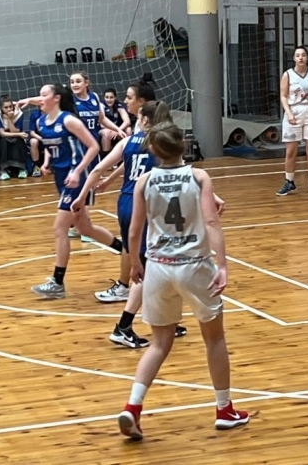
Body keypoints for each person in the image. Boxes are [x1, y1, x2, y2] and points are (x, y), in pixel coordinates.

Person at [117, 121, 249, 440]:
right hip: (194, 266)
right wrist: (223, 265)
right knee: (214, 339)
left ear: (153, 150)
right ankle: (224, 409)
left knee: (159, 343)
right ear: (183, 146)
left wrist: (135, 263)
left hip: (158, 268)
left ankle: (133, 406)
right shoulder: (199, 177)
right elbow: (212, 222)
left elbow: (134, 230)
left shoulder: (144, 180)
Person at [73, 99, 187, 349]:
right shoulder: (161, 143)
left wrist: (82, 196)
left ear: (145, 119)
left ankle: (166, 319)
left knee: (154, 264)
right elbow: (184, 174)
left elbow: (99, 169)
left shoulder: (128, 142)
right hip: (146, 205)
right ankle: (123, 326)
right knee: (149, 267)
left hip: (124, 202)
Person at [30, 82, 125, 299]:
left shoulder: (69, 120)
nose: (39, 98)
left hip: (78, 179)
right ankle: (127, 252)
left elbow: (93, 146)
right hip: (62, 178)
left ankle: (57, 282)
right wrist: (46, 162)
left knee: (59, 228)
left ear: (56, 98)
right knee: (85, 228)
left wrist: (78, 171)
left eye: (44, 95)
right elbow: (52, 146)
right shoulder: (41, 121)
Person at [277, 45, 308, 197]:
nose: (300, 58)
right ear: (294, 58)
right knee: (291, 151)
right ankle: (289, 181)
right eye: (298, 55)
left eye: (303, 55)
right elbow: (283, 96)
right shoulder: (288, 75)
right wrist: (288, 113)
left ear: (307, 57)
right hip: (294, 111)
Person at [0, 95, 28, 180]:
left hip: (14, 134)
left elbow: (14, 131)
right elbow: (2, 134)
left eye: (10, 106)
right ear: (1, 108)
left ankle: (21, 169)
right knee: (4, 141)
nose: (9, 109)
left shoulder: (19, 114)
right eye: (6, 107)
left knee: (19, 141)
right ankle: (3, 170)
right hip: (3, 137)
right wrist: (19, 134)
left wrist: (10, 119)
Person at [100, 87, 131, 157]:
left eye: (111, 97)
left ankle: (127, 154)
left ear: (115, 98)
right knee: (107, 132)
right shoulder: (101, 106)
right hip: (103, 130)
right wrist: (115, 130)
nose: (109, 100)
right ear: (104, 98)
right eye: (107, 97)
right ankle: (105, 157)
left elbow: (127, 121)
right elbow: (102, 124)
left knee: (128, 130)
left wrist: (118, 130)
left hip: (117, 130)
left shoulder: (118, 105)